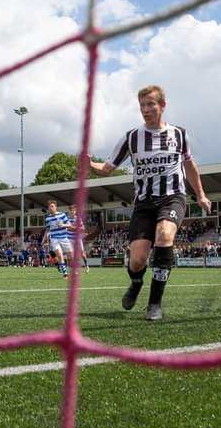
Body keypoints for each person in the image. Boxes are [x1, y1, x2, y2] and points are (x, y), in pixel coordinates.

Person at [89, 84, 211, 321]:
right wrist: (89, 165)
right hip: (143, 203)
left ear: (162, 106)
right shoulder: (131, 137)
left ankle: (154, 304)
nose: (146, 110)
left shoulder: (179, 134)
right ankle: (135, 283)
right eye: (142, 105)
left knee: (165, 235)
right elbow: (106, 168)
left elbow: (189, 166)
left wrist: (201, 194)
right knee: (137, 261)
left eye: (150, 104)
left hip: (172, 197)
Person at [44, 201, 73, 279]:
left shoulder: (62, 215)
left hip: (64, 238)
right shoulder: (48, 218)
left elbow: (70, 225)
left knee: (71, 257)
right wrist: (45, 240)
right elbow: (47, 230)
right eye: (50, 207)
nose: (51, 208)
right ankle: (65, 274)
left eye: (52, 206)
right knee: (60, 256)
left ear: (56, 207)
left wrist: (63, 225)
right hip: (54, 239)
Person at [67, 204, 90, 273]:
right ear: (69, 211)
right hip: (69, 239)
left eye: (73, 210)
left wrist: (73, 228)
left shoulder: (78, 219)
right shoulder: (67, 219)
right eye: (71, 210)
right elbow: (67, 228)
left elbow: (83, 228)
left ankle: (87, 266)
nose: (72, 211)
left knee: (82, 253)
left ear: (75, 211)